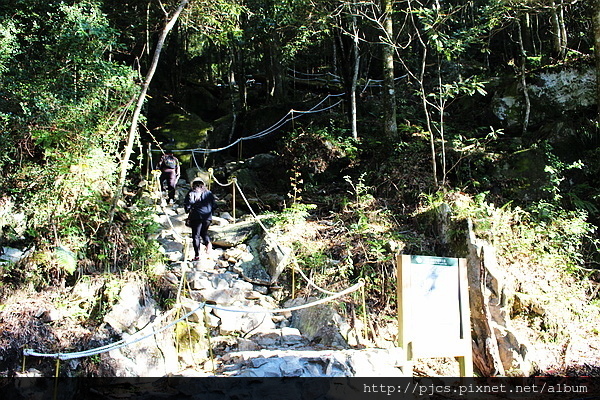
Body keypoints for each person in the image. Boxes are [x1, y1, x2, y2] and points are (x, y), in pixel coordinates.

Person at [184, 179, 216, 261]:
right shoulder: (209, 193)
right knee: (203, 232)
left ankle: (197, 255)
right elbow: (215, 205)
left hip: (196, 216)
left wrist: (189, 211)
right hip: (207, 217)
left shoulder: (191, 192)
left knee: (196, 236)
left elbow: (187, 206)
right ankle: (208, 244)